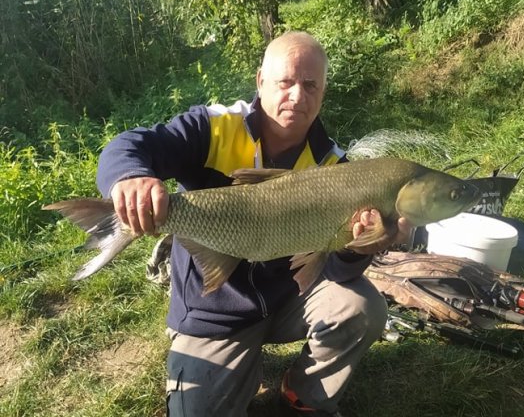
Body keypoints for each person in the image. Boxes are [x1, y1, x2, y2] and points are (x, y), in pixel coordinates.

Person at [96, 31, 411, 417]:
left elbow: (332, 271)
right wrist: (128, 177)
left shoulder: (335, 167)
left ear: (323, 92)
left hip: (288, 298)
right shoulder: (214, 127)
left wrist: (356, 249)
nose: (297, 96)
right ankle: (231, 365)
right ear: (260, 81)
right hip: (214, 311)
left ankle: (302, 396)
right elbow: (133, 144)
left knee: (363, 307)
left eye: (310, 85)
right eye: (286, 82)